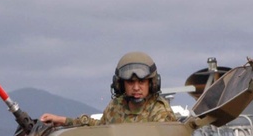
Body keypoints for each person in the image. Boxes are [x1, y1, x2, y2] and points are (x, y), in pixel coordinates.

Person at [39, 52, 178, 127]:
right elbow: (100, 126)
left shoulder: (160, 111)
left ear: (152, 83)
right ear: (120, 84)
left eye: (141, 82)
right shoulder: (116, 106)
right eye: (130, 82)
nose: (136, 88)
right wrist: (62, 120)